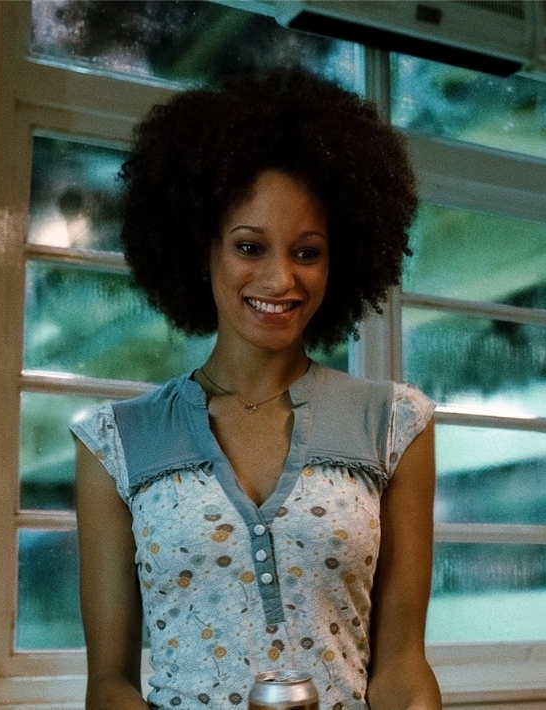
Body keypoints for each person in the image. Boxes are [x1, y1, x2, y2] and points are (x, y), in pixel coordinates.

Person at [71, 69, 440, 710]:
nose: (279, 280)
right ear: (201, 249)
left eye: (307, 252)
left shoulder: (394, 425)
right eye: (249, 246)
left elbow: (402, 667)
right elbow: (110, 683)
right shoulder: (114, 442)